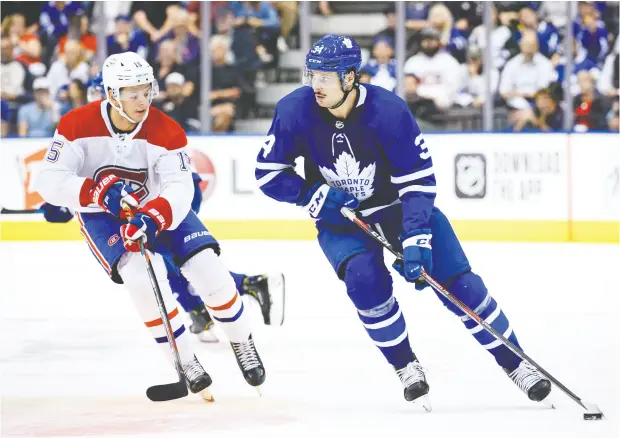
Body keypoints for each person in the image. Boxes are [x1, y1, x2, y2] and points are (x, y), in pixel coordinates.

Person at [255, 35, 552, 407]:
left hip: (398, 209)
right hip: (342, 219)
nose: (316, 84)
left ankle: (517, 364)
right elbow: (268, 172)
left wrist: (415, 237)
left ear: (350, 78)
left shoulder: (389, 111)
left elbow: (417, 182)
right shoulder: (294, 109)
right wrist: (314, 197)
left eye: (326, 77)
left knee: (462, 286)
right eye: (312, 74)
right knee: (364, 282)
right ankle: (405, 365)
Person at [35, 52, 267, 398]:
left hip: (158, 207)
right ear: (112, 94)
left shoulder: (166, 129)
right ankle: (186, 361)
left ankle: (242, 342)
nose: (142, 100)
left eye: (146, 91)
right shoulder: (75, 124)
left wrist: (154, 215)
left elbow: (179, 187)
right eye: (133, 93)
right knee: (141, 279)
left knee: (209, 269)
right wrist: (89, 193)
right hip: (103, 217)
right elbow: (49, 179)